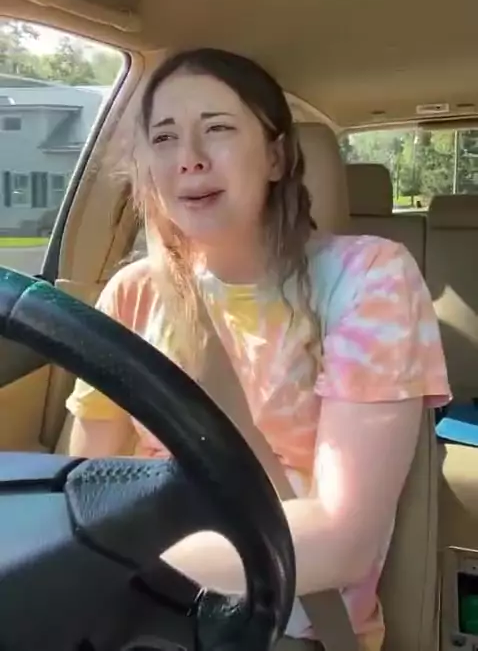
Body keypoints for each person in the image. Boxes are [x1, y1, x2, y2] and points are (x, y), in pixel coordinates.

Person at [66, 48, 451, 651]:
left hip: (284, 624)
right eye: (164, 137)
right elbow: (87, 483)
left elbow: (342, 541)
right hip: (131, 615)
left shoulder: (370, 277)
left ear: (276, 157)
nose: (189, 157)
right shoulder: (132, 293)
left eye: (217, 128)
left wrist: (104, 555)